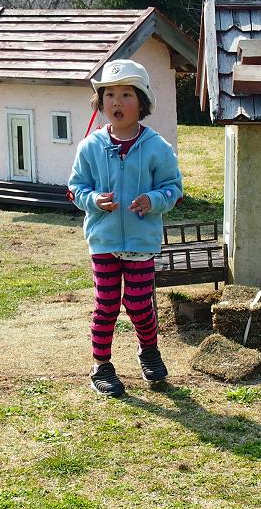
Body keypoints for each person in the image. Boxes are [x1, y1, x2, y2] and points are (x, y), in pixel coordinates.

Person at [68, 59, 183, 397]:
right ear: (100, 102)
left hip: (140, 241)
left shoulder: (157, 147)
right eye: (110, 95)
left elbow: (174, 189)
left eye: (126, 95)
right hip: (103, 240)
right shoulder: (90, 147)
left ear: (142, 102)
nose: (117, 102)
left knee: (138, 303)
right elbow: (75, 188)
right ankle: (101, 366)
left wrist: (153, 199)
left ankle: (149, 350)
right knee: (106, 305)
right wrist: (93, 200)